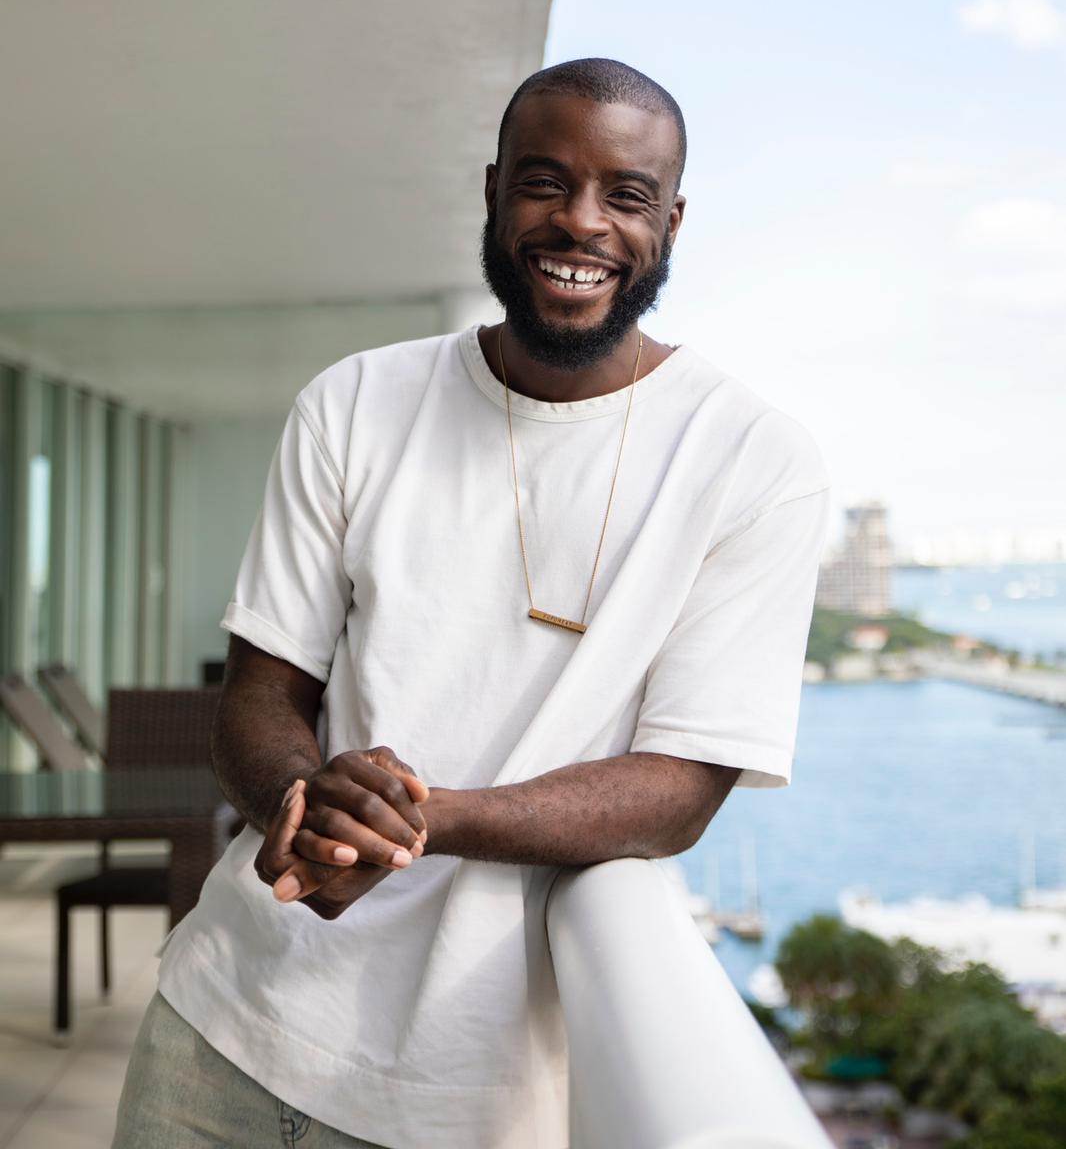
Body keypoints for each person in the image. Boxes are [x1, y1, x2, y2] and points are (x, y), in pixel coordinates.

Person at [113, 58, 829, 1149]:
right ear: (493, 190)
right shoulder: (355, 399)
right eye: (544, 182)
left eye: (624, 195)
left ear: (670, 220)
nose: (580, 222)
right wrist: (306, 805)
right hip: (224, 1025)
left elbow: (678, 788)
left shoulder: (752, 459)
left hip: (466, 1103)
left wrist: (419, 821)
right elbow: (258, 701)